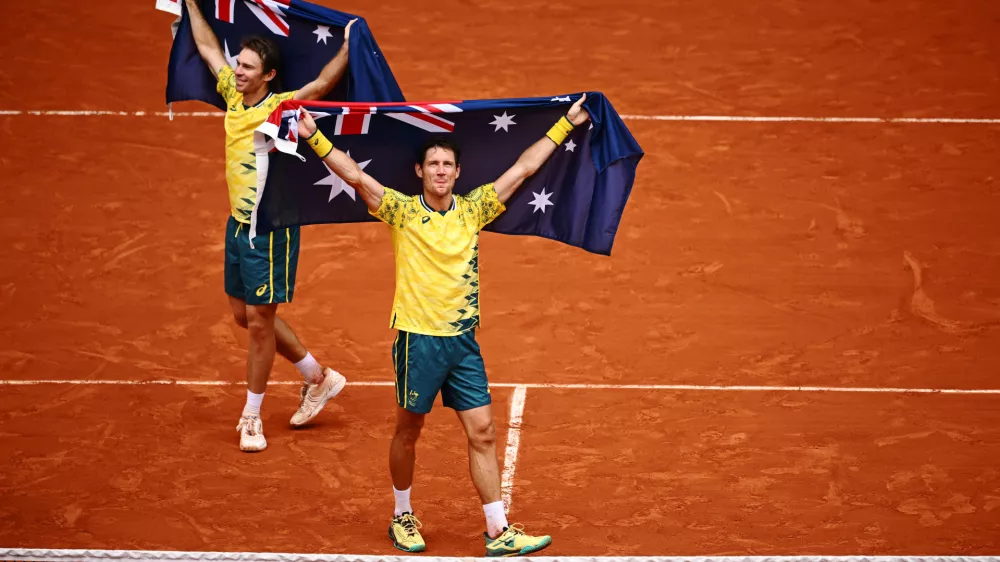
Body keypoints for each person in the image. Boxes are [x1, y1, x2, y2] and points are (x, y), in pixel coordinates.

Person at [295, 94, 591, 555]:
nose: (438, 170)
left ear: (457, 173)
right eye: (431, 163)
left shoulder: (474, 209)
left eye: (446, 164)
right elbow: (353, 174)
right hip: (419, 342)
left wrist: (565, 125)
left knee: (484, 432)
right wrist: (314, 136)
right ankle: (402, 514)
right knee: (408, 432)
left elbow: (523, 169)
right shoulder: (400, 211)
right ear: (420, 172)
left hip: (463, 344)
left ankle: (498, 531)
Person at [184, 0, 357, 452]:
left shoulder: (282, 106)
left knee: (261, 323)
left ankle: (251, 418)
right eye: (238, 64)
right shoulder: (230, 91)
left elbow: (323, 83)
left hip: (271, 229)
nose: (238, 71)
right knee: (244, 316)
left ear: (268, 76)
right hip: (238, 225)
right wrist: (189, 5)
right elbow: (206, 48)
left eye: (247, 67)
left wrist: (348, 43)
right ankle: (318, 377)